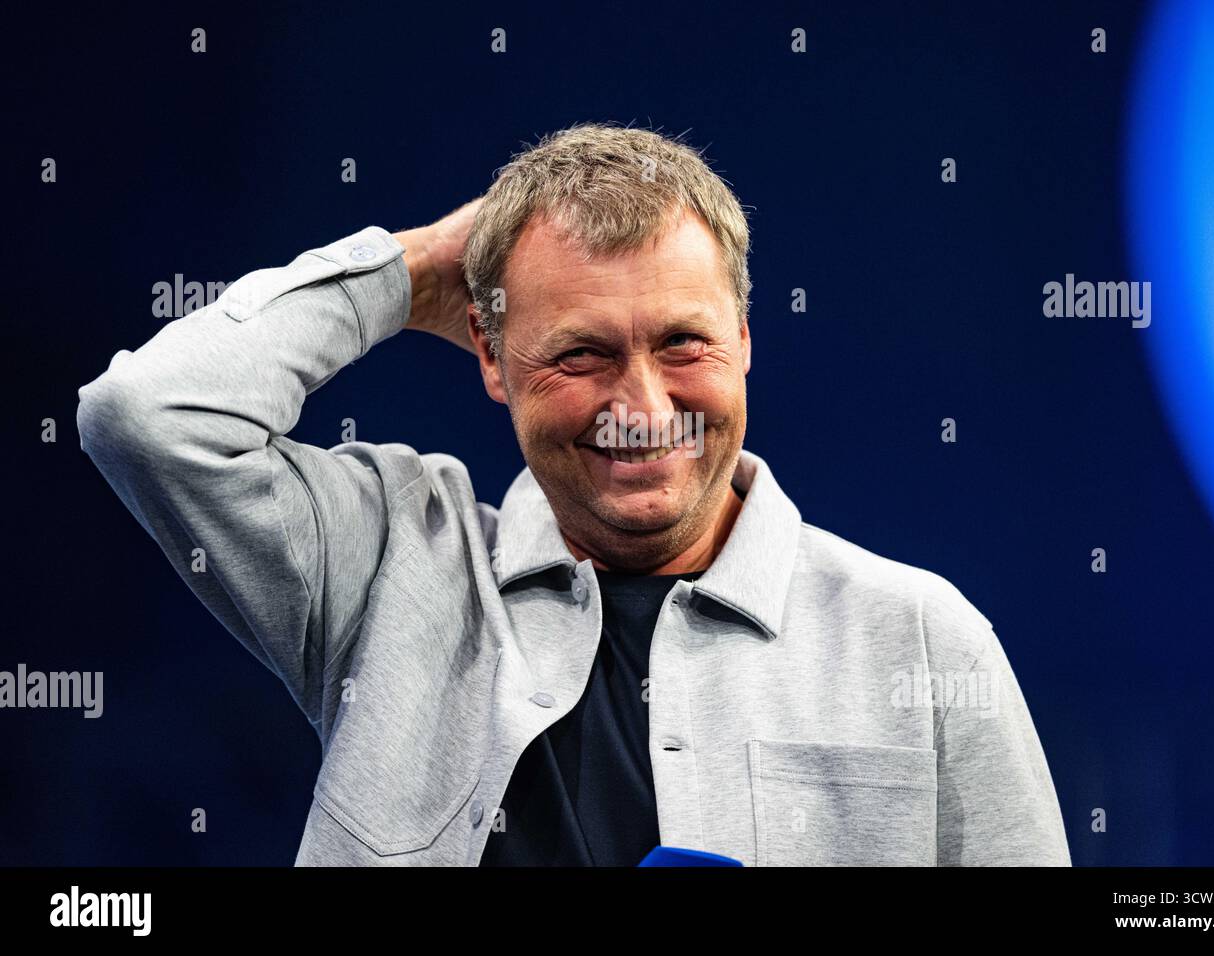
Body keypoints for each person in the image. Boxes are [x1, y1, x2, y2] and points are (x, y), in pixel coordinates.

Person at [76, 122, 1071, 866]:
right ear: (492, 358)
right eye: (580, 353)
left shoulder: (922, 637)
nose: (640, 404)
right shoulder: (391, 567)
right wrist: (407, 267)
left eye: (681, 341)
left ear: (746, 341)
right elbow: (146, 414)